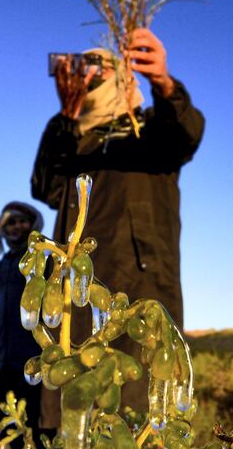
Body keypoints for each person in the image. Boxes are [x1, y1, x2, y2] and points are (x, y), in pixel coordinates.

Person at [31, 28, 205, 428]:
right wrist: (65, 116)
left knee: (135, 413)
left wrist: (162, 82)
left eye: (99, 66)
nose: (88, 74)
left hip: (137, 289)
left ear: (124, 76)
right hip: (76, 294)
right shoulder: (74, 140)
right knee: (71, 414)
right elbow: (45, 186)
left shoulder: (147, 130)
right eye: (81, 67)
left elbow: (185, 134)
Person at [0, 201, 55, 449]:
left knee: (41, 435)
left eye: (21, 221)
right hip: (2, 367)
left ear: (33, 224)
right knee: (11, 437)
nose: (16, 227)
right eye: (10, 223)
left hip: (35, 366)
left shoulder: (44, 259)